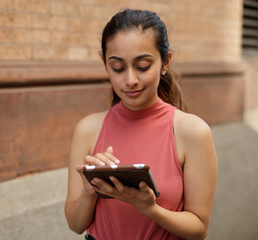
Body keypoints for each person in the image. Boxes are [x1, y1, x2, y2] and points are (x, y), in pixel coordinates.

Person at [64, 8, 218, 240]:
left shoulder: (192, 132)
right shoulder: (87, 129)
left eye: (143, 66)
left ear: (165, 62)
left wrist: (150, 208)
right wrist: (89, 192)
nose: (130, 80)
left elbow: (198, 229)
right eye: (117, 67)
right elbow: (75, 224)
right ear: (105, 64)